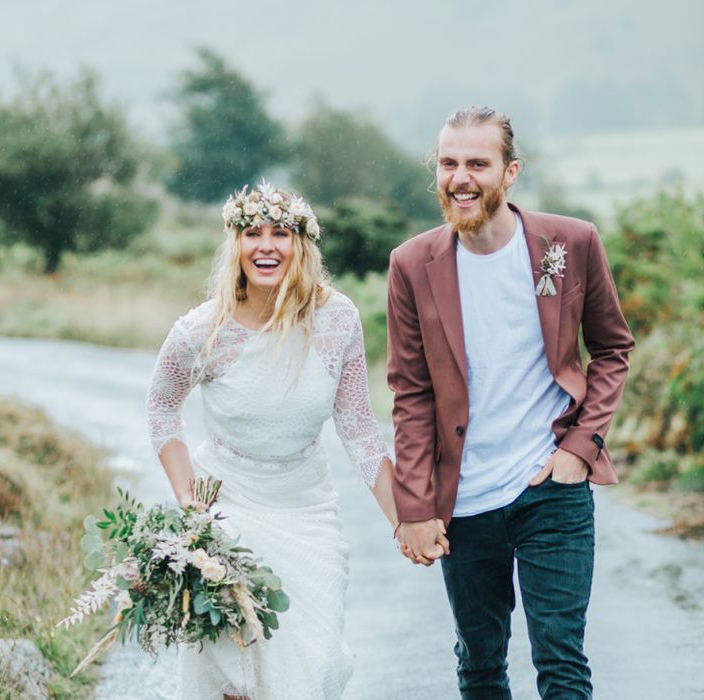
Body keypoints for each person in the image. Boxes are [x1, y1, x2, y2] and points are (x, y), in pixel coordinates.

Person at [388, 107, 635, 699]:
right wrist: (415, 507)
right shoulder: (410, 265)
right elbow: (411, 393)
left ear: (511, 171)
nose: (461, 178)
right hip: (466, 500)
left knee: (561, 660)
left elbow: (612, 349)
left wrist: (579, 448)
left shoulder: (571, 243)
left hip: (551, 488)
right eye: (449, 163)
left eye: (478, 163)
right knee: (479, 665)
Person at [145, 181, 403, 700]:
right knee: (239, 676)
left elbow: (357, 425)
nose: (266, 245)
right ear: (235, 245)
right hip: (229, 513)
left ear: (301, 244)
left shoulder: (338, 320)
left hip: (308, 510)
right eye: (252, 233)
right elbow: (161, 407)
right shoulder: (202, 330)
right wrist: (189, 500)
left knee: (319, 663)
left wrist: (405, 519)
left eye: (281, 233)